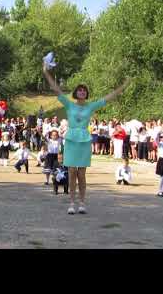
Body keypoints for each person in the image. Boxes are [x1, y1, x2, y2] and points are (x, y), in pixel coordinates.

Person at [43, 61, 129, 215]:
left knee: (81, 174)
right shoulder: (69, 105)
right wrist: (46, 72)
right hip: (70, 140)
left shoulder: (90, 106)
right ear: (76, 93)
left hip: (84, 140)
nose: (82, 92)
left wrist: (123, 86)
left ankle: (82, 203)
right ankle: (71, 203)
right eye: (80, 90)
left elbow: (108, 98)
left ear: (86, 94)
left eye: (84, 90)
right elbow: (56, 89)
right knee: (71, 172)